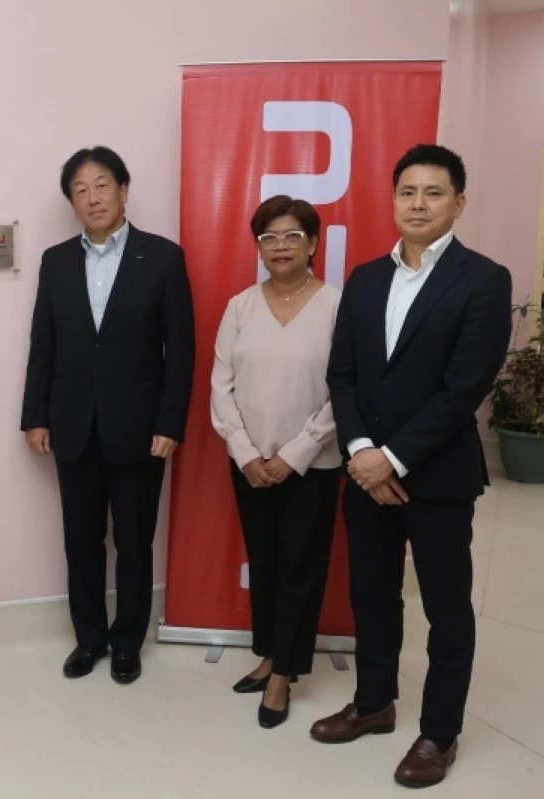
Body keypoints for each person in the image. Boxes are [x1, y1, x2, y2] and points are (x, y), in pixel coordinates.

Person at [312, 144, 512, 789]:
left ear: (458, 202)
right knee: (371, 596)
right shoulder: (367, 279)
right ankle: (373, 704)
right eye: (407, 192)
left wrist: (391, 457)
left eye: (432, 192)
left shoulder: (484, 279)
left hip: (439, 477)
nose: (418, 203)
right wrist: (361, 452)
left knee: (447, 608)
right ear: (392, 198)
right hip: (365, 469)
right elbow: (341, 374)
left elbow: (464, 387)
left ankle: (439, 733)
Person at [20, 146, 195, 684]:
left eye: (102, 185)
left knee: (135, 544)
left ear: (123, 190)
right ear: (70, 201)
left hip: (141, 431)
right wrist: (35, 415)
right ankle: (89, 639)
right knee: (81, 542)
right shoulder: (57, 260)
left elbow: (181, 347)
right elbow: (42, 342)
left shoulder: (162, 257)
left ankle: (127, 644)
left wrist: (170, 424)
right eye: (80, 189)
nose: (92, 197)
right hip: (73, 427)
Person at [210, 196, 341, 729]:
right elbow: (221, 385)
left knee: (299, 571)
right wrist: (246, 453)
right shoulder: (240, 306)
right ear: (258, 246)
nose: (280, 246)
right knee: (264, 564)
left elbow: (344, 390)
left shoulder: (337, 305)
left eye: (292, 236)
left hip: (314, 464)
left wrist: (294, 455)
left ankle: (285, 673)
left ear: (313, 243)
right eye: (269, 237)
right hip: (251, 466)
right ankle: (268, 654)